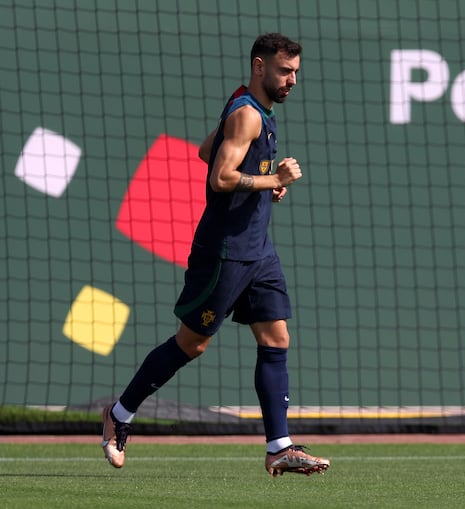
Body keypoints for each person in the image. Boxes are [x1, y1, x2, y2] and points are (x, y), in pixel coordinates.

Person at [101, 32, 329, 477]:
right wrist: (272, 180)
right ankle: (120, 414)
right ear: (259, 66)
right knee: (193, 344)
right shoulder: (247, 114)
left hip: (257, 250)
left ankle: (279, 447)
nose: (292, 81)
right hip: (224, 252)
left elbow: (208, 151)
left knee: (276, 338)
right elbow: (220, 177)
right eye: (285, 71)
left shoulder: (251, 106)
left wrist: (266, 184)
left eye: (296, 72)